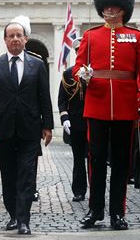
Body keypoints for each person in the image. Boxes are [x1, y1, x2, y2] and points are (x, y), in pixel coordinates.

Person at [73, 0, 140, 230]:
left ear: (123, 6)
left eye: (114, 5)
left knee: (121, 163)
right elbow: (77, 67)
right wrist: (81, 74)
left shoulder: (136, 37)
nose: (109, 9)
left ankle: (117, 212)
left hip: (124, 106)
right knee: (95, 160)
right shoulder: (91, 36)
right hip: (96, 105)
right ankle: (95, 210)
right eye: (106, 5)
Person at [0, 16, 53, 235]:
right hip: (3, 130)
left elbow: (44, 97)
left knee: (26, 175)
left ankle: (24, 220)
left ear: (25, 39)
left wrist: (48, 125)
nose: (15, 39)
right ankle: (13, 214)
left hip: (30, 130)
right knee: (8, 175)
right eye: (10, 36)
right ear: (5, 40)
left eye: (18, 36)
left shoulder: (37, 65)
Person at [58, 37, 88, 202]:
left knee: (94, 158)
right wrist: (65, 119)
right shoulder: (68, 73)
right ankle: (79, 190)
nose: (79, 53)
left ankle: (96, 191)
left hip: (93, 121)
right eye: (77, 50)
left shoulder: (94, 71)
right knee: (78, 159)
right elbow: (62, 99)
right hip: (76, 122)